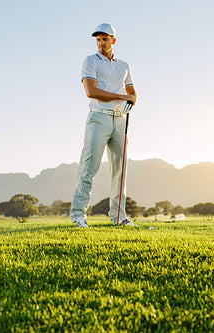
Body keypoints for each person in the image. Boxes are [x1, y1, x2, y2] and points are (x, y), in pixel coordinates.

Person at [70, 23, 137, 228]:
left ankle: (119, 217)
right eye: (98, 39)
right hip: (98, 118)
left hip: (120, 119)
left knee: (120, 170)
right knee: (89, 167)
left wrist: (129, 101)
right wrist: (120, 96)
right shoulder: (90, 61)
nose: (101, 43)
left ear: (113, 40)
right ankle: (78, 215)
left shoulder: (124, 65)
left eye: (105, 39)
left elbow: (133, 94)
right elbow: (91, 92)